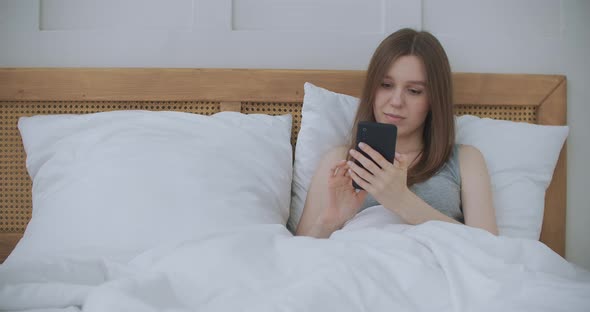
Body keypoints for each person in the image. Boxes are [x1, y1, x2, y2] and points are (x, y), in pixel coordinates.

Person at [295, 28, 498, 238]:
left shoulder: (465, 160)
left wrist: (401, 200)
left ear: (434, 99)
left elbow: (488, 249)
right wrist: (331, 221)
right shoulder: (339, 162)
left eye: (414, 91)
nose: (396, 101)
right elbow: (297, 256)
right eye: (386, 85)